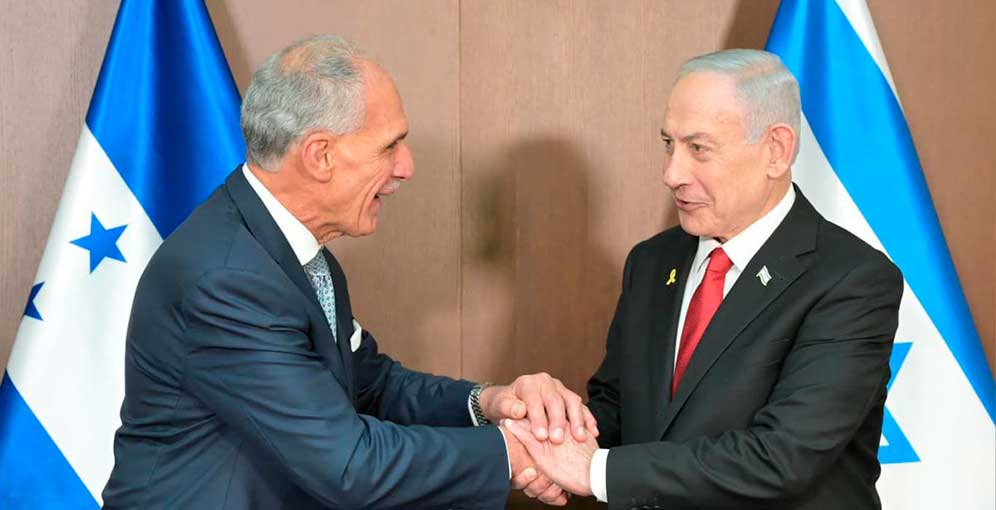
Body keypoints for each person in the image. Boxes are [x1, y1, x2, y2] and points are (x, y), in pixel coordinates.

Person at [101, 35, 595, 509]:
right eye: (390, 146)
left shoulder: (295, 252)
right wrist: (512, 453)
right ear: (320, 155)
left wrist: (490, 403)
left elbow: (372, 385)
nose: (406, 167)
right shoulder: (226, 279)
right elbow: (348, 465)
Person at [504, 49, 903, 509]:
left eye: (699, 149)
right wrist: (548, 440)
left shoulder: (852, 280)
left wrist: (594, 471)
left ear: (776, 150)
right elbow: (620, 409)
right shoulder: (652, 262)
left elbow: (783, 456)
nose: (671, 174)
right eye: (668, 144)